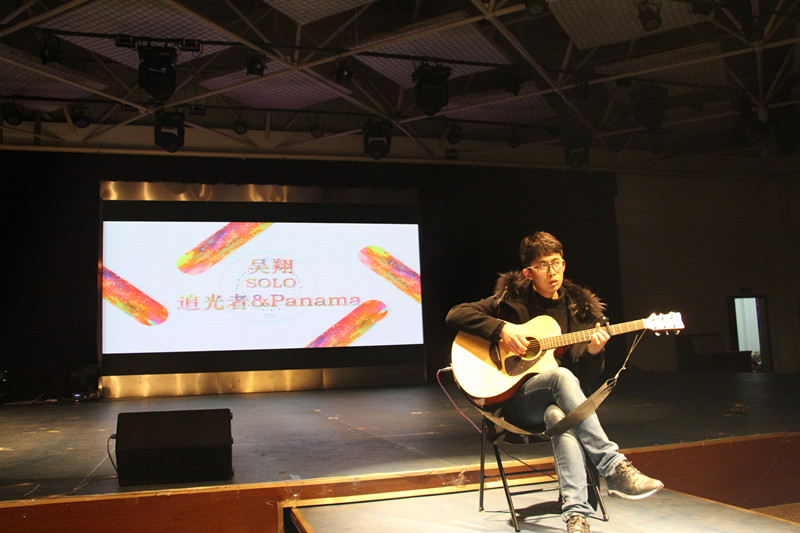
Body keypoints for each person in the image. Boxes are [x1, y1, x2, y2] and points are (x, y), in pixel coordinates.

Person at [446, 231, 663, 533]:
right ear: (528, 273)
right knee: (560, 378)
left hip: (554, 405)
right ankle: (613, 467)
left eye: (557, 263)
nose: (552, 272)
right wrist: (503, 330)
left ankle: (576, 515)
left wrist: (593, 354)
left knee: (560, 415)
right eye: (543, 265)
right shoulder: (511, 300)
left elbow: (583, 385)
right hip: (513, 404)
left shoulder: (580, 312)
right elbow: (455, 314)